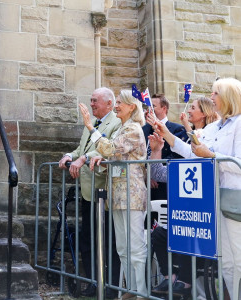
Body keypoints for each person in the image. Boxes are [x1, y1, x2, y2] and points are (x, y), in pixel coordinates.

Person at [151, 77, 241, 300]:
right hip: (214, 202)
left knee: (239, 258)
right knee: (228, 261)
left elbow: (237, 162)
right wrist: (168, 136)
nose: (211, 97)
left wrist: (211, 155)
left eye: (215, 94)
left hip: (234, 200)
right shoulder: (213, 127)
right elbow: (194, 153)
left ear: (228, 97)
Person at [58, 87, 121, 299]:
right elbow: (80, 149)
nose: (92, 104)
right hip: (87, 192)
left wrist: (83, 159)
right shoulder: (90, 124)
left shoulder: (117, 122)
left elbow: (106, 149)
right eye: (91, 100)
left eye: (95, 101)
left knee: (108, 240)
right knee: (87, 239)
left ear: (109, 104)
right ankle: (93, 282)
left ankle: (111, 286)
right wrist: (69, 156)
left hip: (104, 192)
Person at [87, 89, 148, 299]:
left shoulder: (133, 128)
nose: (116, 106)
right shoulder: (122, 128)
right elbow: (114, 158)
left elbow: (112, 149)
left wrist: (90, 127)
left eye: (120, 103)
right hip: (117, 196)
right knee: (122, 247)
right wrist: (100, 161)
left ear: (132, 107)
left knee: (136, 247)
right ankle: (130, 289)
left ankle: (141, 292)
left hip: (132, 195)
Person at [143, 94, 188, 200]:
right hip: (144, 186)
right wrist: (147, 174)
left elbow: (176, 156)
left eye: (153, 106)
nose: (149, 109)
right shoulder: (143, 129)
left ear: (164, 108)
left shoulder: (177, 129)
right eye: (148, 106)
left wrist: (156, 173)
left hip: (164, 187)